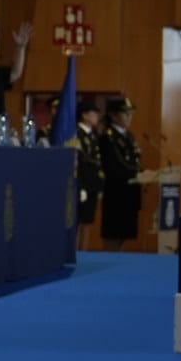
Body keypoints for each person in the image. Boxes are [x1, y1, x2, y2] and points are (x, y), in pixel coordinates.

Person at [99, 97, 144, 250]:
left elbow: (134, 161)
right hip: (116, 191)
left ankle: (119, 257)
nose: (129, 118)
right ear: (113, 115)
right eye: (125, 114)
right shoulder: (108, 137)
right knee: (114, 232)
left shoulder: (129, 136)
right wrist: (133, 173)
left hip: (130, 190)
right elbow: (112, 165)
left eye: (131, 114)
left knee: (125, 232)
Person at [71, 98, 104, 250]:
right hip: (81, 183)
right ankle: (75, 251)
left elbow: (96, 161)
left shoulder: (93, 135)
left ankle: (84, 251)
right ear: (84, 115)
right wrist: (80, 184)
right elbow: (77, 161)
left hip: (92, 183)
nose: (96, 117)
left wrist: (99, 184)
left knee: (88, 222)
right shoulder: (75, 133)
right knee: (77, 222)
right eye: (93, 113)